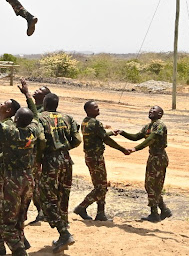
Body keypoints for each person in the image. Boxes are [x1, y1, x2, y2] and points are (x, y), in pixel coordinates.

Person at [0, 79, 45, 256]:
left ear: (16, 118)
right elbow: (35, 116)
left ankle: (18, 250)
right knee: (20, 215)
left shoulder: (9, 132)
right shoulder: (34, 130)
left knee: (4, 221)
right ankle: (15, 243)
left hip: (10, 179)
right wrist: (27, 95)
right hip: (28, 179)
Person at [37, 92, 82, 253]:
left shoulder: (41, 118)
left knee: (47, 198)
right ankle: (63, 229)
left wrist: (41, 156)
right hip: (66, 160)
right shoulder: (68, 118)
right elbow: (77, 139)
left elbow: (41, 141)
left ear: (45, 103)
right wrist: (64, 147)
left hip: (50, 160)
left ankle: (64, 233)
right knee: (64, 196)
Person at [73, 100, 129, 221]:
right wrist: (122, 149)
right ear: (88, 110)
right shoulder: (96, 123)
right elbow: (106, 140)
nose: (98, 108)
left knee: (99, 184)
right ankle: (82, 207)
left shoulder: (85, 122)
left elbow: (99, 134)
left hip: (90, 157)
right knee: (101, 187)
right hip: (96, 158)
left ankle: (101, 213)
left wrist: (110, 133)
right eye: (95, 107)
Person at [116, 105, 171, 222]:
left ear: (160, 114)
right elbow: (136, 136)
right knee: (151, 185)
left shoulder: (159, 125)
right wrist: (122, 132)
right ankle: (163, 210)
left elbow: (150, 139)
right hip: (153, 157)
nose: (151, 111)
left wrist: (135, 149)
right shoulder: (149, 126)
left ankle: (155, 213)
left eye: (154, 110)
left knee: (152, 185)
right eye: (150, 109)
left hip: (159, 158)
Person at [26, 84, 50, 224]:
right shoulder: (32, 108)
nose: (37, 90)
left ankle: (42, 212)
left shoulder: (41, 111)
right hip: (30, 151)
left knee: (34, 183)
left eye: (40, 90)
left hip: (35, 153)